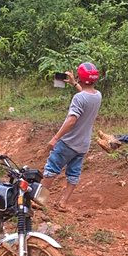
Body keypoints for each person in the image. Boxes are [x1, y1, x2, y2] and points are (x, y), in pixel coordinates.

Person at [42, 62, 102, 212]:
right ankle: (63, 202)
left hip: (68, 142)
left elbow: (72, 120)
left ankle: (39, 199)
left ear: (80, 77)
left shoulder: (78, 98)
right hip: (83, 144)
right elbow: (86, 96)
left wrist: (55, 138)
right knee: (74, 173)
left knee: (52, 167)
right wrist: (75, 83)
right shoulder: (97, 95)